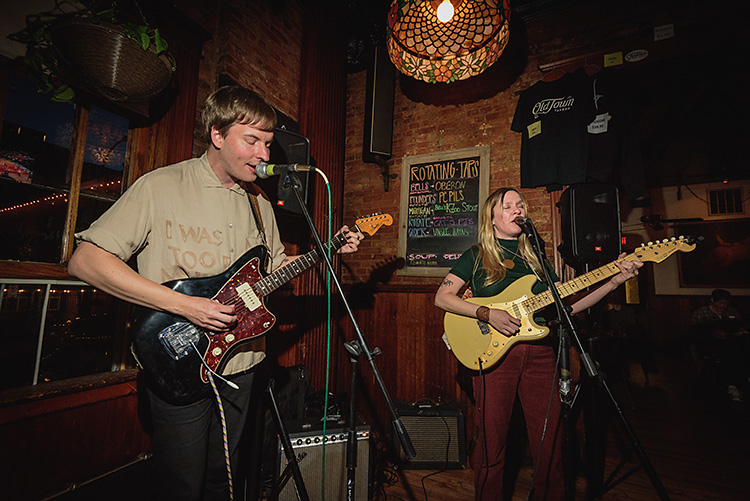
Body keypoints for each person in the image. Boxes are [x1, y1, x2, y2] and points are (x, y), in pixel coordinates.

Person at [67, 86, 364, 500]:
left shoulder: (261, 205)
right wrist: (185, 305)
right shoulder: (161, 186)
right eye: (253, 140)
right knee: (182, 485)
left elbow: (273, 271)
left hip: (242, 364)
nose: (264, 154)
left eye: (268, 143)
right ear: (218, 135)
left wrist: (326, 250)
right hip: (178, 358)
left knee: (223, 480)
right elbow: (85, 261)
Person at [434, 187, 641, 500]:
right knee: (492, 444)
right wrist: (487, 312)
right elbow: (443, 297)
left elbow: (568, 307)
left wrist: (614, 281)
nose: (518, 210)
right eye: (509, 206)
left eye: (521, 205)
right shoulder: (477, 255)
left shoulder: (537, 260)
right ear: (492, 218)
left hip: (541, 356)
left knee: (551, 442)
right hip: (493, 358)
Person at [689, 289, 749, 402]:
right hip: (710, 343)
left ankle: (740, 381)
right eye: (721, 303)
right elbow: (694, 333)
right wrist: (713, 333)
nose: (724, 306)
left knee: (740, 348)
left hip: (733, 341)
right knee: (730, 352)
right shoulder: (701, 313)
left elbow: (741, 326)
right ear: (712, 300)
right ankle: (732, 385)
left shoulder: (732, 311)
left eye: (726, 303)